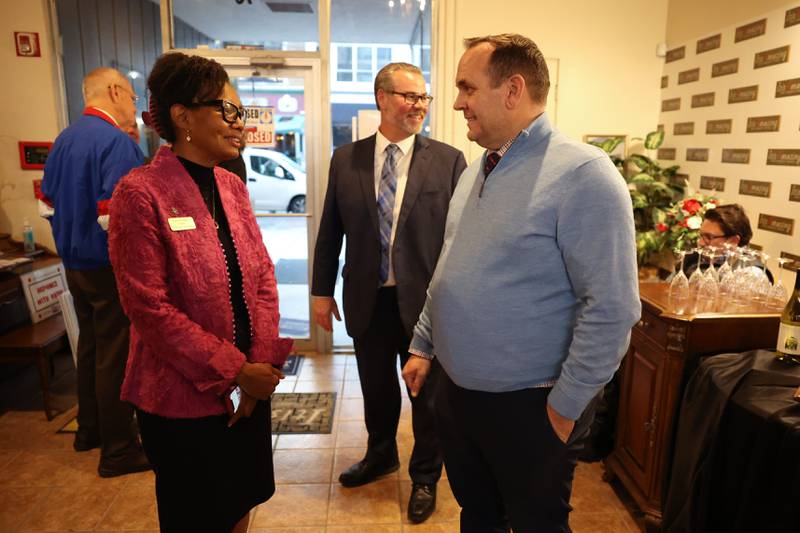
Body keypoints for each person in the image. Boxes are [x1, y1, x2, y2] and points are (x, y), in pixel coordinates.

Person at [402, 34, 641, 531]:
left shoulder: (585, 174)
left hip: (531, 405)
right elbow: (450, 266)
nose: (455, 102)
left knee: (537, 523)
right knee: (479, 513)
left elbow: (613, 308)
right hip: (461, 396)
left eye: (467, 87)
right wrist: (424, 344)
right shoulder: (476, 169)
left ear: (512, 89)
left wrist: (565, 407)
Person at [108, 52, 292, 533]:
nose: (240, 124)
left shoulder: (232, 186)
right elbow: (149, 308)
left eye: (241, 112)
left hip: (248, 390)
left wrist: (261, 365)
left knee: (239, 504)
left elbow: (262, 277)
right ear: (182, 116)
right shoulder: (140, 193)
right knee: (197, 513)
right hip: (182, 399)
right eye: (227, 111)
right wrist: (236, 371)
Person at [312, 62, 466, 523]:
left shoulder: (448, 159)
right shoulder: (347, 158)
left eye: (424, 97)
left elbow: (459, 239)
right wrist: (321, 291)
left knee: (428, 398)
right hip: (367, 297)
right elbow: (330, 230)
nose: (419, 105)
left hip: (424, 304)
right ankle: (381, 455)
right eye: (409, 96)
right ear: (381, 97)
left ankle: (424, 476)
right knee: (376, 389)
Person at [41, 67, 149, 478]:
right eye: (133, 97)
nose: (134, 105)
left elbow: (46, 205)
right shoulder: (114, 143)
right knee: (116, 354)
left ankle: (89, 431)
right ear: (114, 90)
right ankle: (119, 449)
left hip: (73, 262)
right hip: (106, 264)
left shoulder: (65, 139)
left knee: (89, 348)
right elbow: (119, 217)